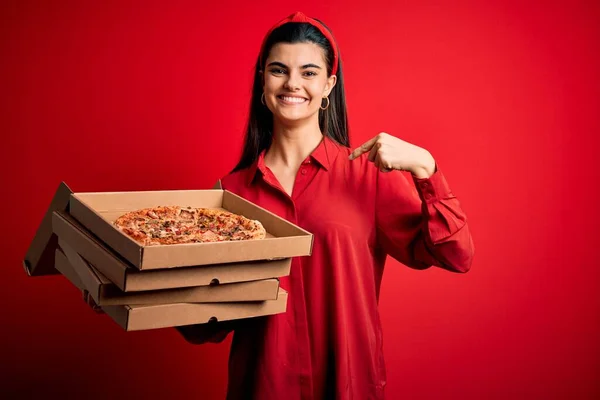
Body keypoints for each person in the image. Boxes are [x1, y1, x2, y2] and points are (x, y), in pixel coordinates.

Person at [89, 11, 474, 400]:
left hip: (347, 386)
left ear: (329, 85)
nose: (292, 83)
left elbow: (456, 255)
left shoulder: (368, 178)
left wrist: (427, 168)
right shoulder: (228, 196)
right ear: (263, 80)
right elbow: (206, 326)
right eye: (279, 70)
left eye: (309, 72)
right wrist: (128, 290)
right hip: (262, 388)